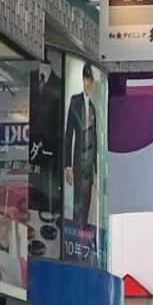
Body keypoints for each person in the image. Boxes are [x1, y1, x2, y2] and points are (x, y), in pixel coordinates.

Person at [64, 62, 98, 224]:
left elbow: (96, 139)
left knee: (87, 200)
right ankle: (77, 227)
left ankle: (83, 228)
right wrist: (68, 165)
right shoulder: (75, 101)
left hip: (89, 164)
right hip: (78, 160)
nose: (87, 83)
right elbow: (68, 133)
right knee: (78, 199)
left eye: (89, 80)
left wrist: (96, 170)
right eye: (85, 78)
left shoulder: (92, 108)